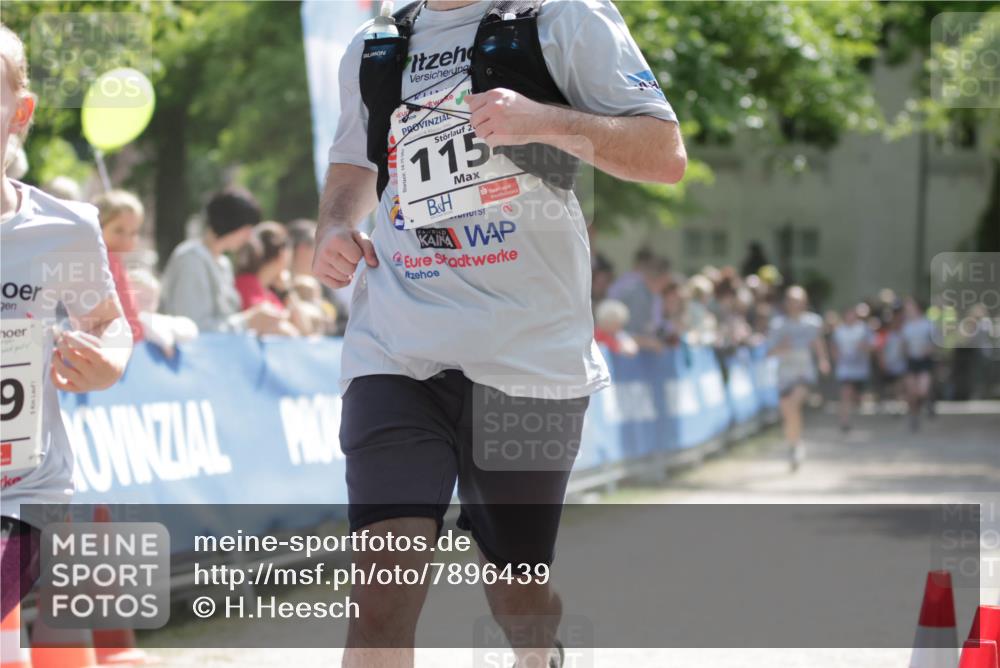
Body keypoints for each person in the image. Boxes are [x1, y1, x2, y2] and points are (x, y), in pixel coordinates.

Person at [314, 1, 686, 666]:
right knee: (380, 595)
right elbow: (353, 166)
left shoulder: (564, 16)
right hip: (396, 346)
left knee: (518, 596)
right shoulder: (376, 43)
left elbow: (663, 154)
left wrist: (543, 121)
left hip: (527, 352)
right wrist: (334, 228)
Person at [1, 23, 132, 619]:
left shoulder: (64, 229)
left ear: (19, 110)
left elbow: (108, 322)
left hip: (25, 497)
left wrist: (108, 362)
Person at [160, 187, 286, 335]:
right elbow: (193, 328)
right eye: (247, 228)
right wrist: (248, 321)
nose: (249, 237)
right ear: (233, 223)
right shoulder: (191, 259)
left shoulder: (223, 263)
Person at [767, 285, 830, 471]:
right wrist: (781, 348)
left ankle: (795, 445)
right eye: (791, 300)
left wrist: (823, 360)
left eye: (798, 300)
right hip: (784, 374)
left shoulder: (813, 322)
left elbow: (818, 342)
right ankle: (795, 444)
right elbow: (769, 352)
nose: (795, 304)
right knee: (788, 412)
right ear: (786, 303)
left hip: (804, 373)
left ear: (804, 302)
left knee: (793, 403)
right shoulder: (778, 325)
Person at [94, 189, 145, 343]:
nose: (126, 239)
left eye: (133, 232)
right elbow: (131, 323)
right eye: (119, 230)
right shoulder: (108, 261)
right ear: (98, 226)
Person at [831, 303, 874, 432]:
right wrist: (836, 358)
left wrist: (863, 348)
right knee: (845, 392)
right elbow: (833, 347)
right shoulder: (839, 330)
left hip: (860, 369)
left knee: (856, 397)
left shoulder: (864, 329)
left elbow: (872, 346)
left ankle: (857, 401)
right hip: (844, 368)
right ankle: (844, 421)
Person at [901, 296, 935, 431]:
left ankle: (929, 401)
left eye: (909, 306)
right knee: (911, 392)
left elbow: (935, 343)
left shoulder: (928, 324)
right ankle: (914, 416)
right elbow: (903, 344)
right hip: (911, 361)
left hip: (924, 361)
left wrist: (928, 349)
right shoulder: (906, 326)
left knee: (922, 390)